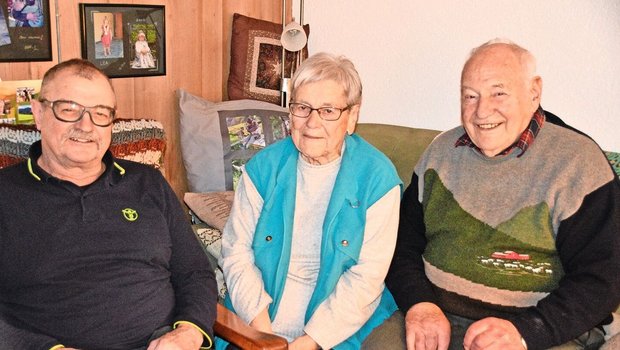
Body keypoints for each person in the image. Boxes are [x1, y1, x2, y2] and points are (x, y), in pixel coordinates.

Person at [386, 39, 620, 350]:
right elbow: (402, 245)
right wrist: (419, 304)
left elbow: (603, 279)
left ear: (534, 92)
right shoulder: (440, 154)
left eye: (499, 93)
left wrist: (525, 332)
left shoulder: (578, 163)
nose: (482, 111)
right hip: (437, 317)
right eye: (470, 96)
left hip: (542, 329)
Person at [0, 59, 217, 350]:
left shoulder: (148, 183)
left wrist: (188, 334)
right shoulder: (6, 194)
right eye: (69, 110)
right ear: (39, 114)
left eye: (101, 113)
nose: (86, 126)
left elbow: (194, 271)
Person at [219, 52, 402, 349]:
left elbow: (367, 277)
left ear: (352, 117)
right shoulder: (262, 168)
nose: (311, 122)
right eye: (302, 107)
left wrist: (311, 341)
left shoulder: (378, 178)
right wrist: (263, 334)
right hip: (257, 319)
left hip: (336, 329)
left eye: (328, 110)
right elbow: (236, 251)